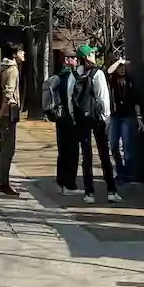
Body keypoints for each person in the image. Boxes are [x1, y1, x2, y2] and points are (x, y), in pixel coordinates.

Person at [72, 45, 121, 204]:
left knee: (86, 155)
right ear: (87, 56)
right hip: (97, 118)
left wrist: (75, 117)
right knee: (104, 153)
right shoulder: (97, 73)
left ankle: (89, 193)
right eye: (92, 53)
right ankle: (111, 191)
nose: (94, 54)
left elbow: (71, 98)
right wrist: (106, 118)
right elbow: (103, 97)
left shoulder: (75, 74)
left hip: (82, 118)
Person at [42, 51, 80, 194]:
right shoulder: (70, 77)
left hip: (60, 117)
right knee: (72, 151)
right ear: (67, 60)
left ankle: (62, 182)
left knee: (63, 151)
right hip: (70, 118)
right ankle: (69, 184)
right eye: (74, 58)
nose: (76, 60)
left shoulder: (58, 76)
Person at [107, 56, 144, 187]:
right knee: (113, 144)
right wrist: (119, 61)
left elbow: (137, 100)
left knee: (127, 146)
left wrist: (139, 117)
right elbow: (108, 71)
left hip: (128, 116)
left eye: (123, 67)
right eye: (119, 67)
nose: (122, 69)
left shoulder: (131, 81)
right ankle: (120, 171)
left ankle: (128, 173)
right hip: (115, 116)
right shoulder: (111, 81)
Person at [0, 42, 25, 197]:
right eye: (21, 51)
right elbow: (8, 93)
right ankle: (4, 184)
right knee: (8, 149)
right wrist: (1, 112)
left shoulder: (3, 67)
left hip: (5, 112)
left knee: (4, 148)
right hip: (8, 112)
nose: (23, 53)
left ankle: (3, 181)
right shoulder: (12, 69)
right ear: (14, 54)